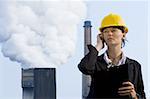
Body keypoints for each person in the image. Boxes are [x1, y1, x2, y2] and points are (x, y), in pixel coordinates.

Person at [78, 13, 146, 99]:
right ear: (102, 36)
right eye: (106, 31)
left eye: (113, 30)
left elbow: (142, 96)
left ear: (123, 33)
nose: (110, 34)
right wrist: (98, 46)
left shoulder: (134, 66)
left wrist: (134, 95)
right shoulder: (95, 62)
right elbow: (85, 67)